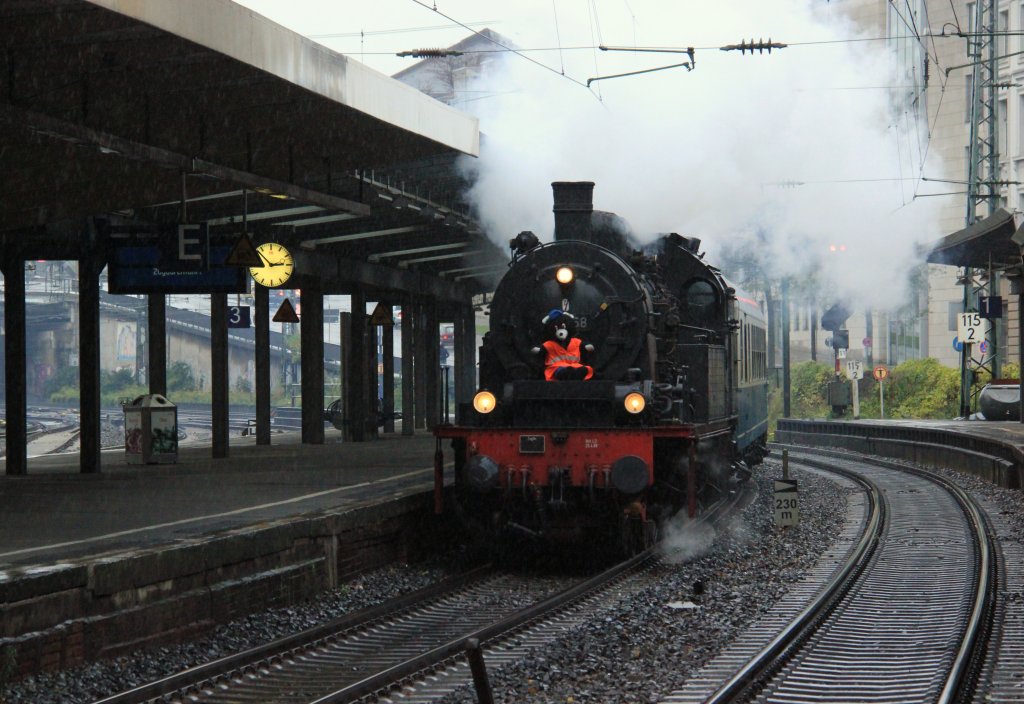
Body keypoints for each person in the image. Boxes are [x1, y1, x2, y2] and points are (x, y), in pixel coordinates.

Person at [531, 309, 595, 381]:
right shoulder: (549, 344)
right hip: (556, 368)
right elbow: (541, 350)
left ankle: (575, 373)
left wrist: (587, 347)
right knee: (562, 372)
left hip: (574, 366)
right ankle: (568, 373)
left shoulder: (576, 342)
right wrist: (537, 350)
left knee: (583, 369)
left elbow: (584, 346)